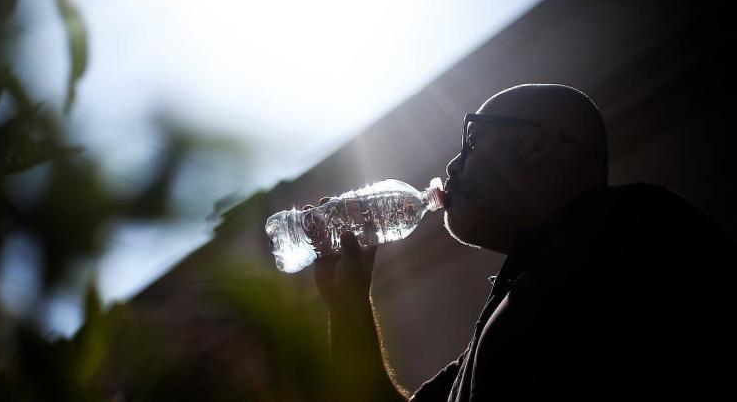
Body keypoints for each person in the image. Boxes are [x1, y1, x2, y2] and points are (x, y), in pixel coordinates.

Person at [307, 84, 732, 401]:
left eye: (472, 140)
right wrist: (348, 310)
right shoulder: (497, 321)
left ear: (539, 143)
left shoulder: (639, 228)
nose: (454, 163)